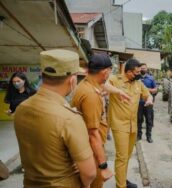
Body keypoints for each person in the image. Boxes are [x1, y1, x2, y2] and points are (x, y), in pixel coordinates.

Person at [14, 49, 97, 187]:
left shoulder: (22, 108)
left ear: (43, 75)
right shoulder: (69, 118)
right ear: (72, 80)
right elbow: (89, 173)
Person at [72, 54, 130, 188]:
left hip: (87, 146)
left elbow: (103, 85)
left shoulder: (88, 83)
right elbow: (93, 134)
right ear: (106, 71)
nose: (110, 74)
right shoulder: (91, 95)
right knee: (96, 183)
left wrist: (118, 92)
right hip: (91, 150)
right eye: (110, 70)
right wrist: (103, 165)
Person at [107, 58, 153, 188]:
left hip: (133, 126)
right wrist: (118, 91)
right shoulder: (116, 80)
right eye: (136, 72)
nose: (138, 74)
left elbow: (147, 94)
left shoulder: (138, 83)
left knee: (127, 157)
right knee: (121, 157)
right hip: (119, 125)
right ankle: (120, 185)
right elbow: (103, 84)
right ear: (127, 72)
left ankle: (123, 179)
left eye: (139, 71)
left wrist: (149, 99)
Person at [137, 63, 157, 143]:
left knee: (149, 120)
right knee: (139, 120)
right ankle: (139, 135)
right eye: (141, 68)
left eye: (144, 68)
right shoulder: (137, 79)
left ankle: (149, 136)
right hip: (139, 103)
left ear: (147, 69)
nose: (143, 69)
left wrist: (146, 90)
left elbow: (155, 89)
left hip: (148, 103)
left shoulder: (151, 79)